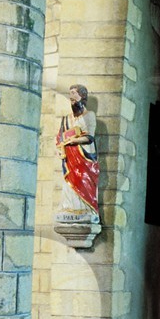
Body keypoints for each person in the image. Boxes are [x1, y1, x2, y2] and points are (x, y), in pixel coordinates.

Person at [56, 83, 99, 218]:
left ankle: (86, 209)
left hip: (84, 157)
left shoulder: (89, 115)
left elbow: (90, 136)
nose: (71, 97)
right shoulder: (66, 119)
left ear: (82, 96)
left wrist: (74, 140)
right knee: (69, 183)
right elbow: (60, 136)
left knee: (84, 181)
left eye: (74, 93)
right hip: (69, 158)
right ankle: (69, 208)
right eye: (70, 94)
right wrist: (59, 146)